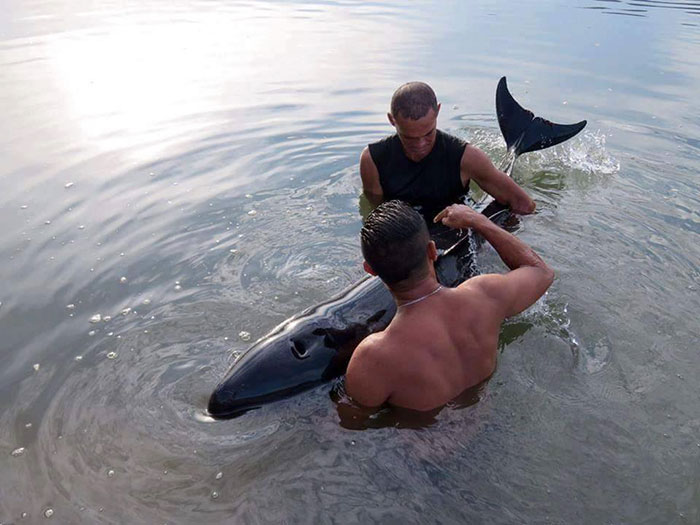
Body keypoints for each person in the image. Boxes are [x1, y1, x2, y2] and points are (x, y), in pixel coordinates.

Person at [345, 200, 553, 411]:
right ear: (432, 251)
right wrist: (479, 221)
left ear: (370, 270)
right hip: (492, 418)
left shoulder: (373, 358)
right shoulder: (485, 295)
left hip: (431, 440)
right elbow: (541, 272)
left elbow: (351, 424)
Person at [359, 81, 536, 220]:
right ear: (392, 120)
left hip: (455, 226)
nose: (421, 144)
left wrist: (501, 231)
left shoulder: (466, 157)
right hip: (408, 234)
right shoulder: (373, 160)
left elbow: (524, 205)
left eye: (428, 134)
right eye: (409, 137)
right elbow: (375, 212)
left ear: (438, 112)